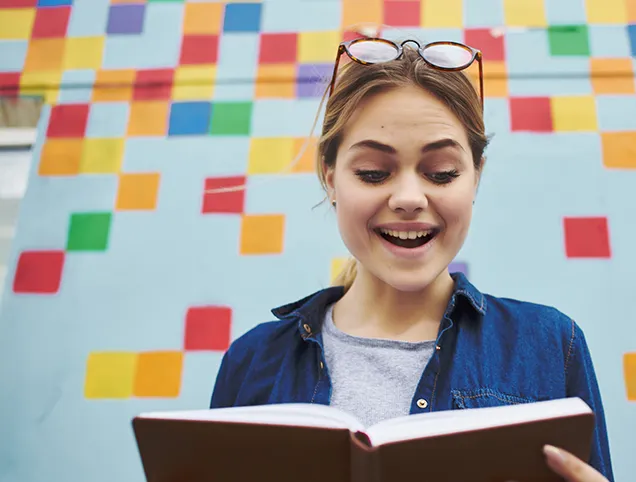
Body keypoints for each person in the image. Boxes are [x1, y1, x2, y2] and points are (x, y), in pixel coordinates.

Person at [210, 37, 614, 482]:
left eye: (441, 173)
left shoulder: (551, 345)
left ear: (476, 176)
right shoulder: (251, 361)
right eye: (372, 173)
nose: (407, 198)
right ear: (330, 178)